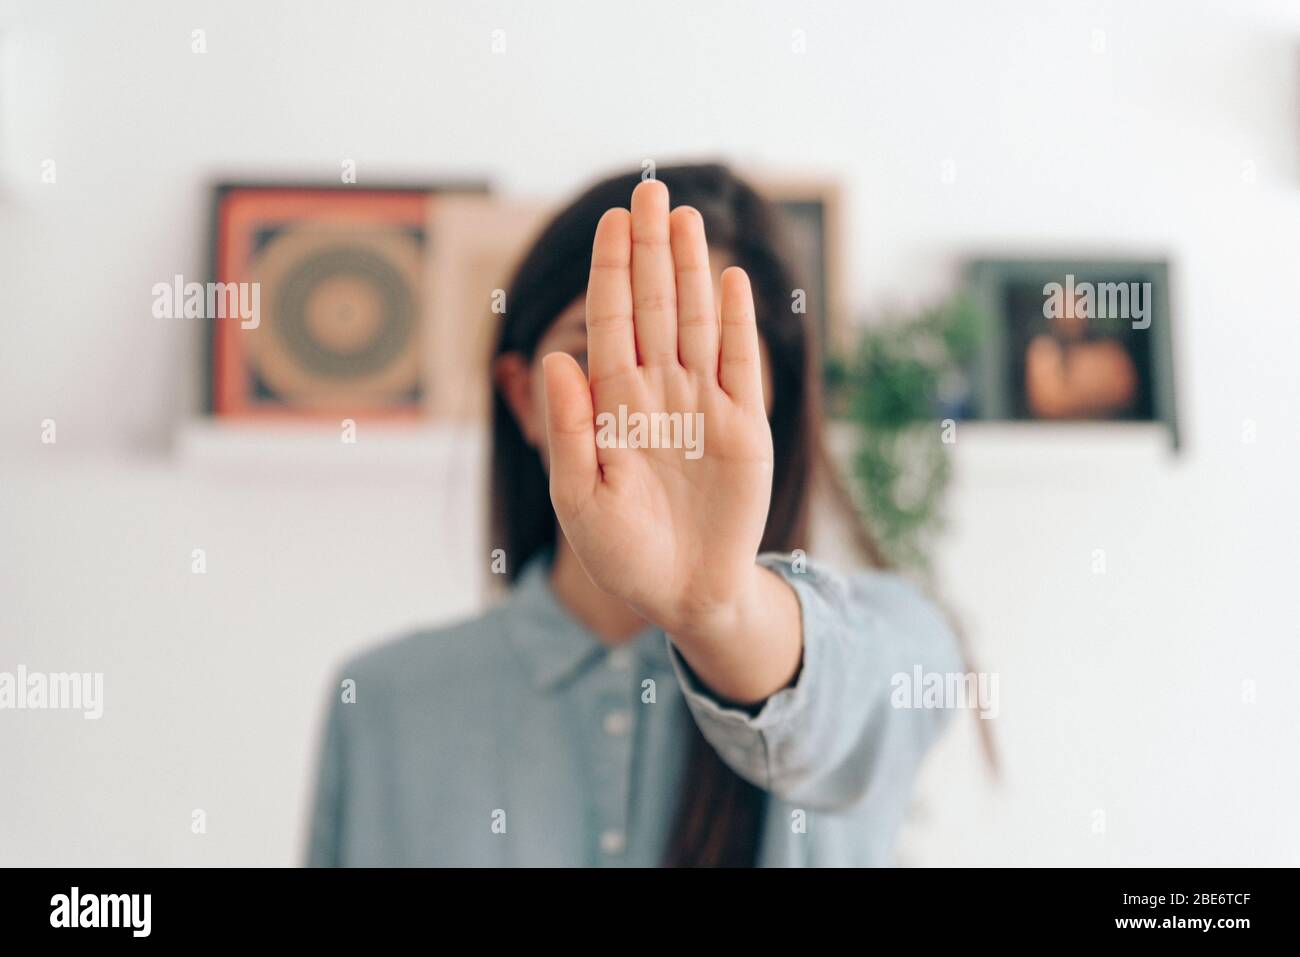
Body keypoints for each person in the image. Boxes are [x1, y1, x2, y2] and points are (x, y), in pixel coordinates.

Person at [306, 164, 962, 867]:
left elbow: (852, 711)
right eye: (601, 360)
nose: (648, 412)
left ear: (770, 399)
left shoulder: (894, 645)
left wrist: (718, 606)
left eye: (697, 364)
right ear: (524, 397)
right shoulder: (383, 704)